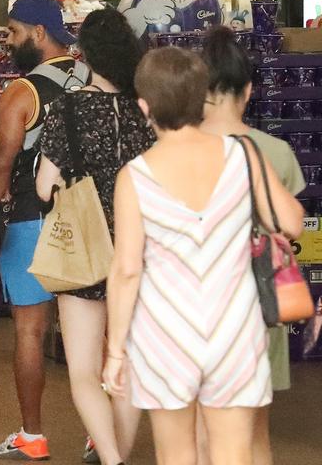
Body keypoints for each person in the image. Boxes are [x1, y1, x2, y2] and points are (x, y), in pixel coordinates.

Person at [104, 47, 304, 465]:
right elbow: (291, 221)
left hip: (164, 332)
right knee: (234, 454)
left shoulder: (135, 177)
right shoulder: (243, 155)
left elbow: (126, 271)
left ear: (145, 106)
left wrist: (116, 351)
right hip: (234, 326)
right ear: (203, 99)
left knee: (176, 455)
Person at [34, 9, 153, 465]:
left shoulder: (69, 107)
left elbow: (45, 186)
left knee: (84, 371)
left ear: (84, 56)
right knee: (126, 365)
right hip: (141, 249)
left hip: (84, 245)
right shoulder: (147, 107)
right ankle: (118, 451)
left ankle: (112, 459)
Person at [0, 0, 90, 461]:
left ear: (38, 34)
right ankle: (97, 432)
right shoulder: (94, 78)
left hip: (31, 219)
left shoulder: (21, 93)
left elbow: (1, 164)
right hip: (88, 222)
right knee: (92, 332)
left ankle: (33, 435)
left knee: (29, 332)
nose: (7, 43)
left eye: (13, 33)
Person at [198, 26, 307, 465]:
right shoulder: (276, 151)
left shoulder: (171, 151)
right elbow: (289, 229)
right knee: (254, 432)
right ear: (248, 90)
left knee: (202, 433)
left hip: (194, 303)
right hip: (259, 303)